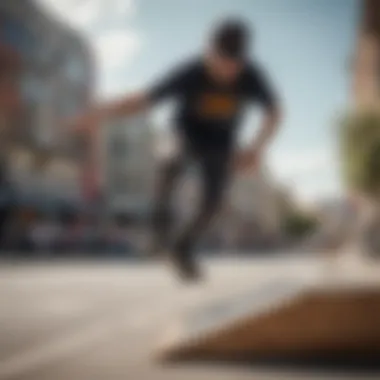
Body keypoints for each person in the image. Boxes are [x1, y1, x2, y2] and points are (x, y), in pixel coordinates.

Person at [73, 18, 282, 281]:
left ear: (241, 62)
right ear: (209, 53)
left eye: (233, 69)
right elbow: (143, 100)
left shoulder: (252, 75)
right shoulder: (191, 72)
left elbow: (275, 112)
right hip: (185, 134)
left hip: (221, 144)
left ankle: (183, 248)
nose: (226, 74)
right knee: (171, 158)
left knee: (213, 201)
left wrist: (256, 148)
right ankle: (159, 233)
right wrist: (101, 112)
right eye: (220, 65)